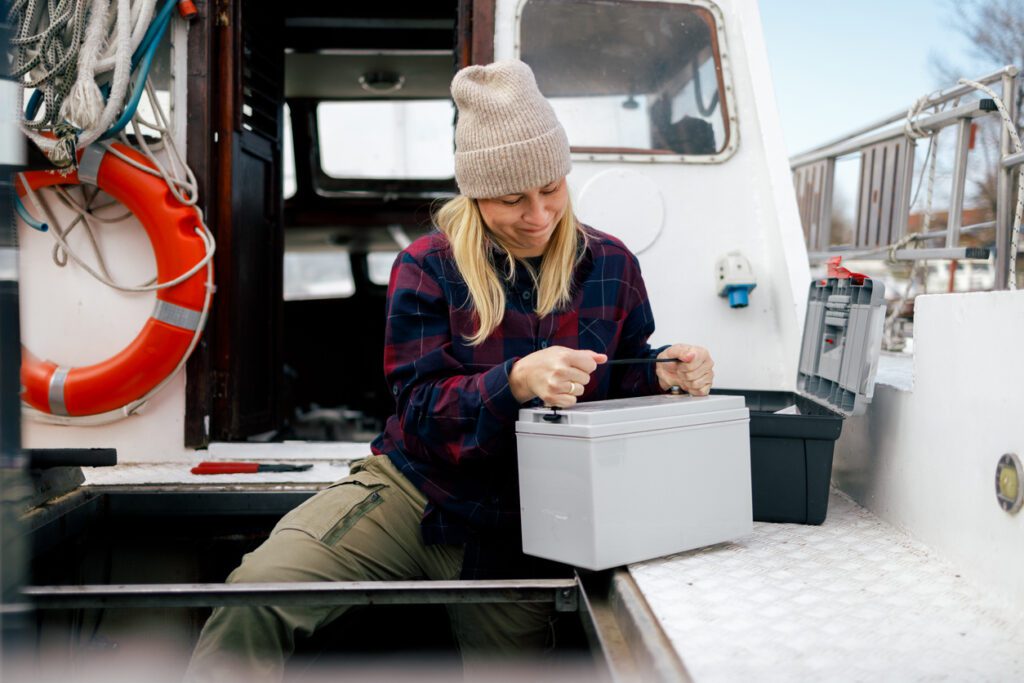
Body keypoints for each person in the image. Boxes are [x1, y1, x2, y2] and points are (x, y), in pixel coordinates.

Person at [185, 58, 714, 681]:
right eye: (512, 199)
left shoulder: (612, 264)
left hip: (530, 522)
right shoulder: (426, 266)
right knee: (255, 595)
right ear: (474, 192)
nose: (539, 216)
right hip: (416, 492)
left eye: (551, 189)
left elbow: (618, 378)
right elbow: (421, 413)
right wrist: (514, 381)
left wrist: (662, 373)